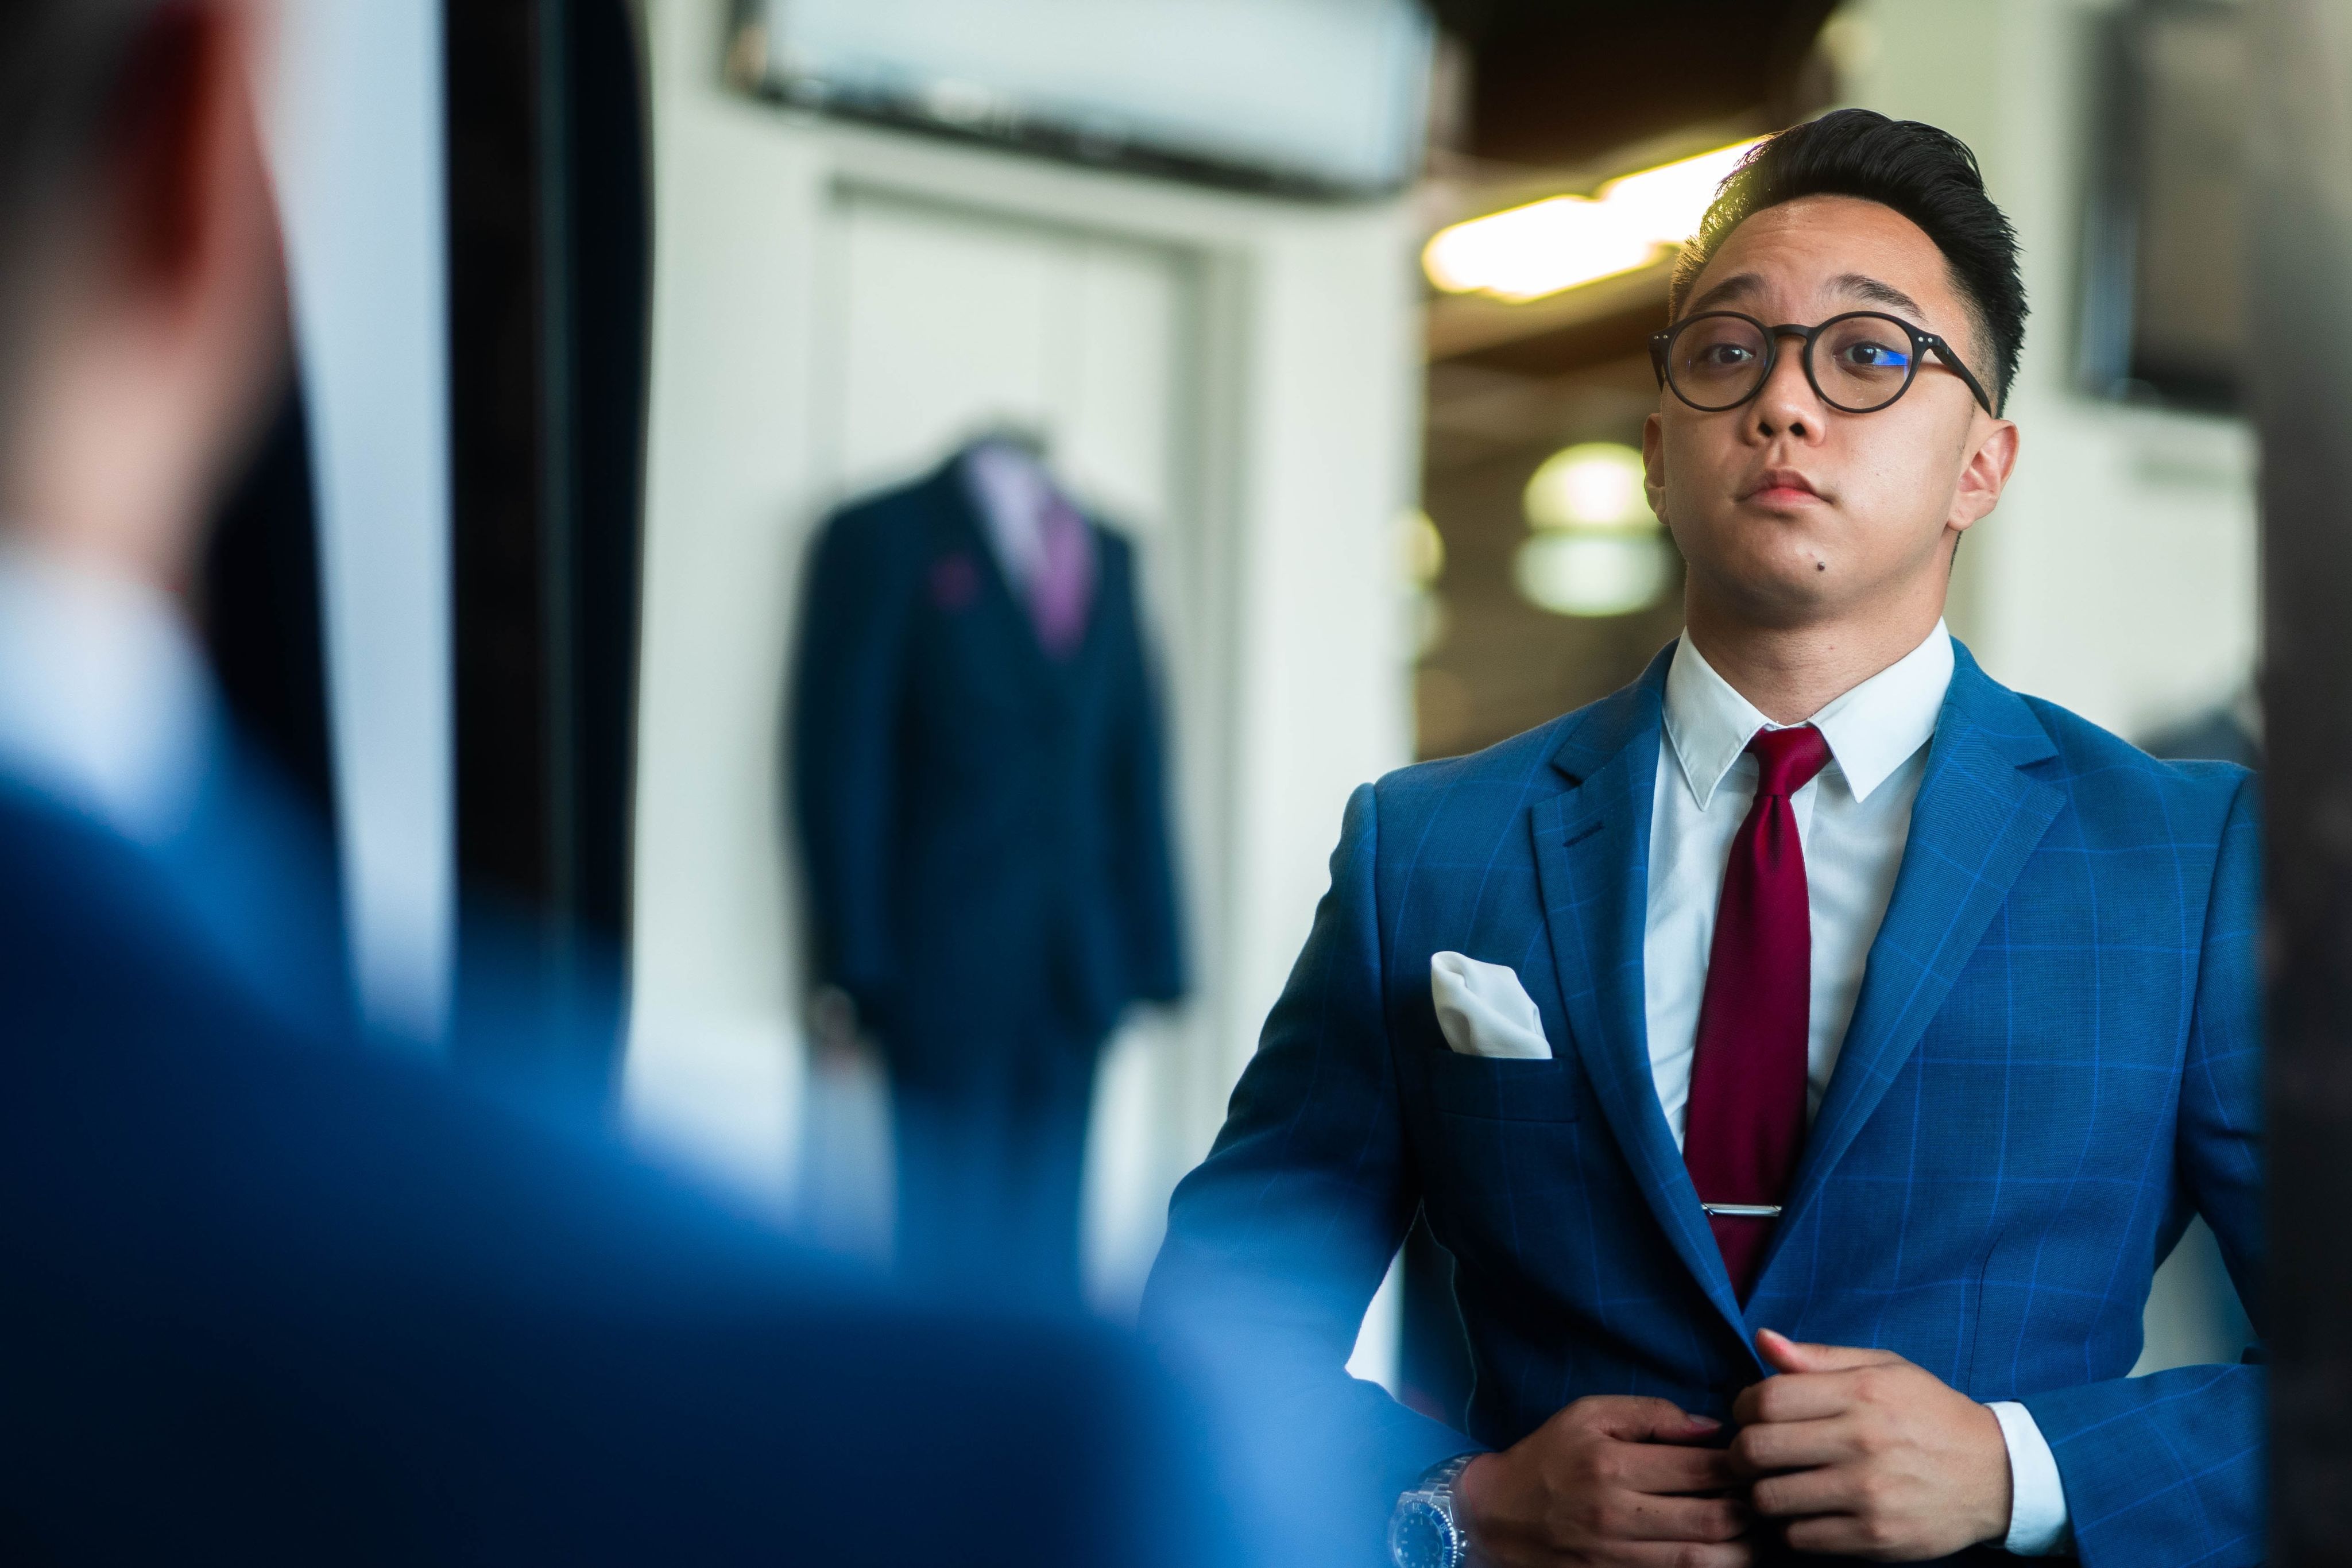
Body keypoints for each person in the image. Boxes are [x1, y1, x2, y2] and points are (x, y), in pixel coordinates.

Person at [0, 2, 1229, 1562]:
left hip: (1073, 966)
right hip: (937, 956)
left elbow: (1128, 762)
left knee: (1045, 1223)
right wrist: (852, 962)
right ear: (199, 137)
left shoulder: (1109, 554)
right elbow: (838, 758)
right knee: (946, 1221)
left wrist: (1154, 951)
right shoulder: (1011, 1461)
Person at [1142, 110, 2259, 1567]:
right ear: (1658, 454)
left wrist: (2015, 1468)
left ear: (1981, 465)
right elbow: (1211, 1331)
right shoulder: (1426, 848)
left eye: (1868, 356)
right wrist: (1462, 1502)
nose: (1783, 403)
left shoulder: (2180, 858)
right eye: (1728, 353)